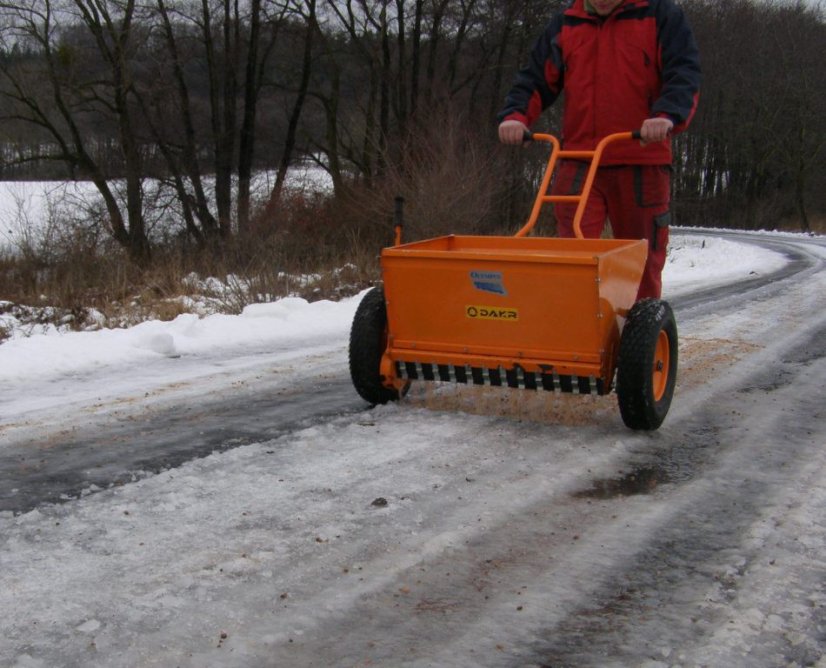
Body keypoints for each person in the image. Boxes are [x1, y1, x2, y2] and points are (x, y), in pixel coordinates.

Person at [498, 0, 700, 300]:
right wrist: (515, 117)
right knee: (575, 259)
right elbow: (534, 78)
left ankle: (642, 326)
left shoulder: (659, 16)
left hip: (640, 159)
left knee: (640, 263)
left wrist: (666, 115)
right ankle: (576, 324)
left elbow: (684, 75)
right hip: (579, 160)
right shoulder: (567, 22)